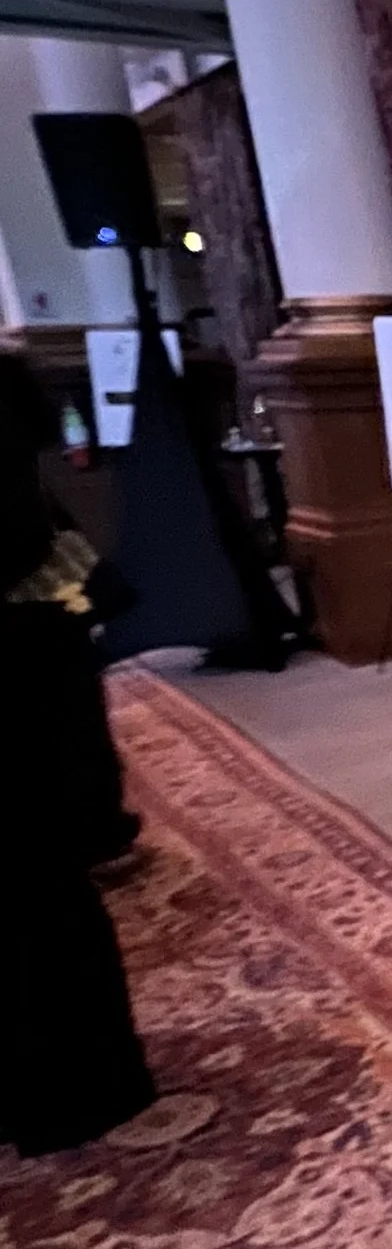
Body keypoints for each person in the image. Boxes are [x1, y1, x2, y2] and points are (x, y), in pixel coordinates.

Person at [0, 343, 154, 1157]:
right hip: (29, 633)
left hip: (19, 639)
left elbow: (18, 522)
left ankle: (82, 1084)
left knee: (32, 884)